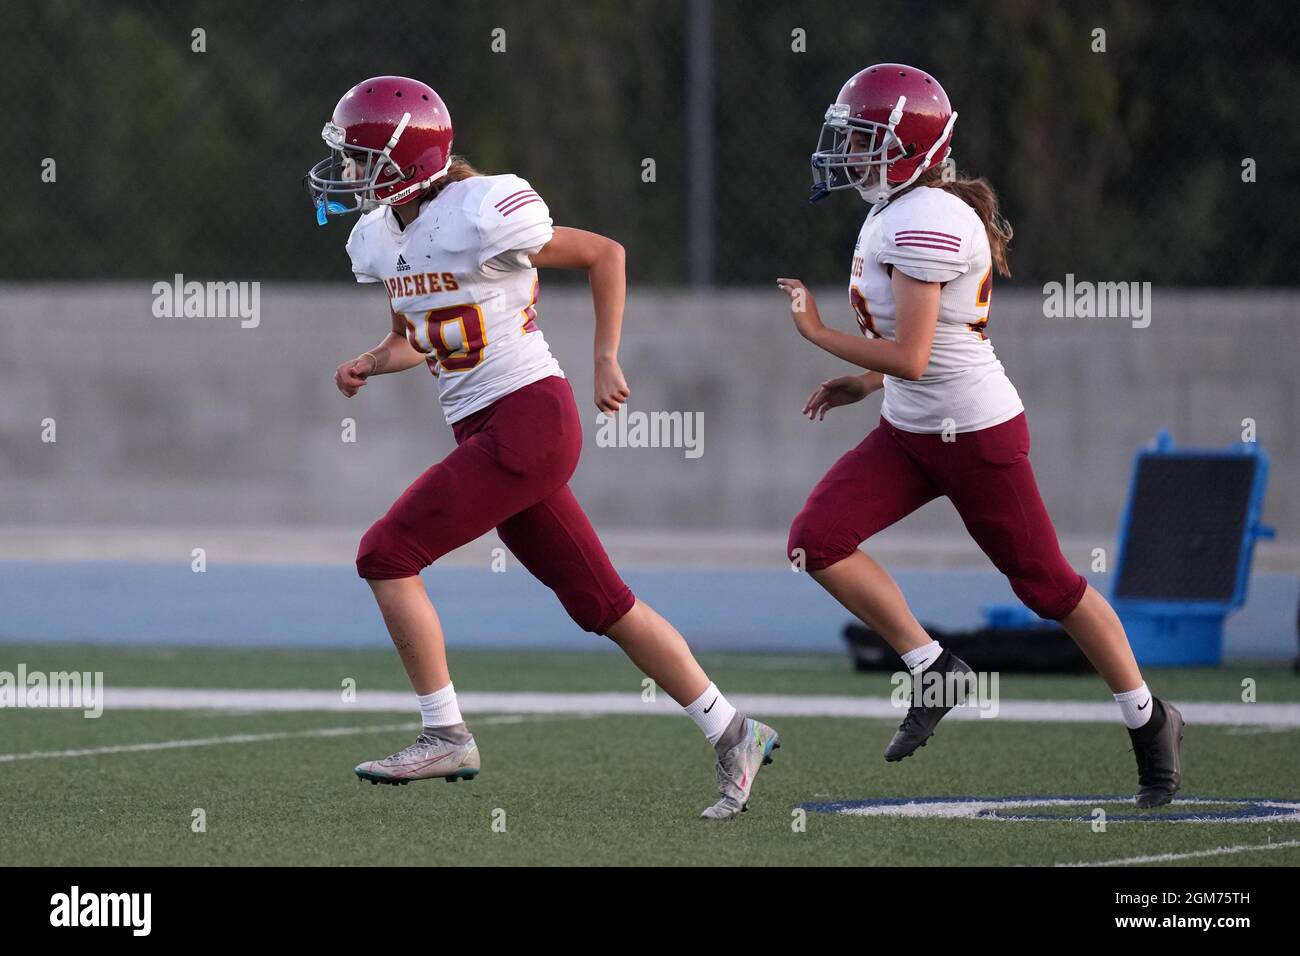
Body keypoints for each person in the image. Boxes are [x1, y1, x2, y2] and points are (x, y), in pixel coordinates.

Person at [306, 75, 778, 819]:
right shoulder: (378, 238)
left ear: (406, 161)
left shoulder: (482, 209)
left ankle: (445, 732)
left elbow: (605, 253)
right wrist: (370, 360)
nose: (351, 174)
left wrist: (605, 356)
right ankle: (734, 729)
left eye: (362, 158)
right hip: (490, 428)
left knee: (384, 554)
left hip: (529, 418)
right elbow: (418, 337)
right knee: (603, 604)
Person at [777, 64, 1183, 808]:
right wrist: (865, 385)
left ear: (910, 145)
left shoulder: (923, 218)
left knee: (1048, 588)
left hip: (977, 436)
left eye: (864, 138)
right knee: (816, 540)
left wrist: (818, 334)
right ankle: (933, 667)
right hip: (910, 429)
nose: (849, 152)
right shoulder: (898, 209)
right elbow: (922, 344)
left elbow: (915, 355)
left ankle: (1150, 720)